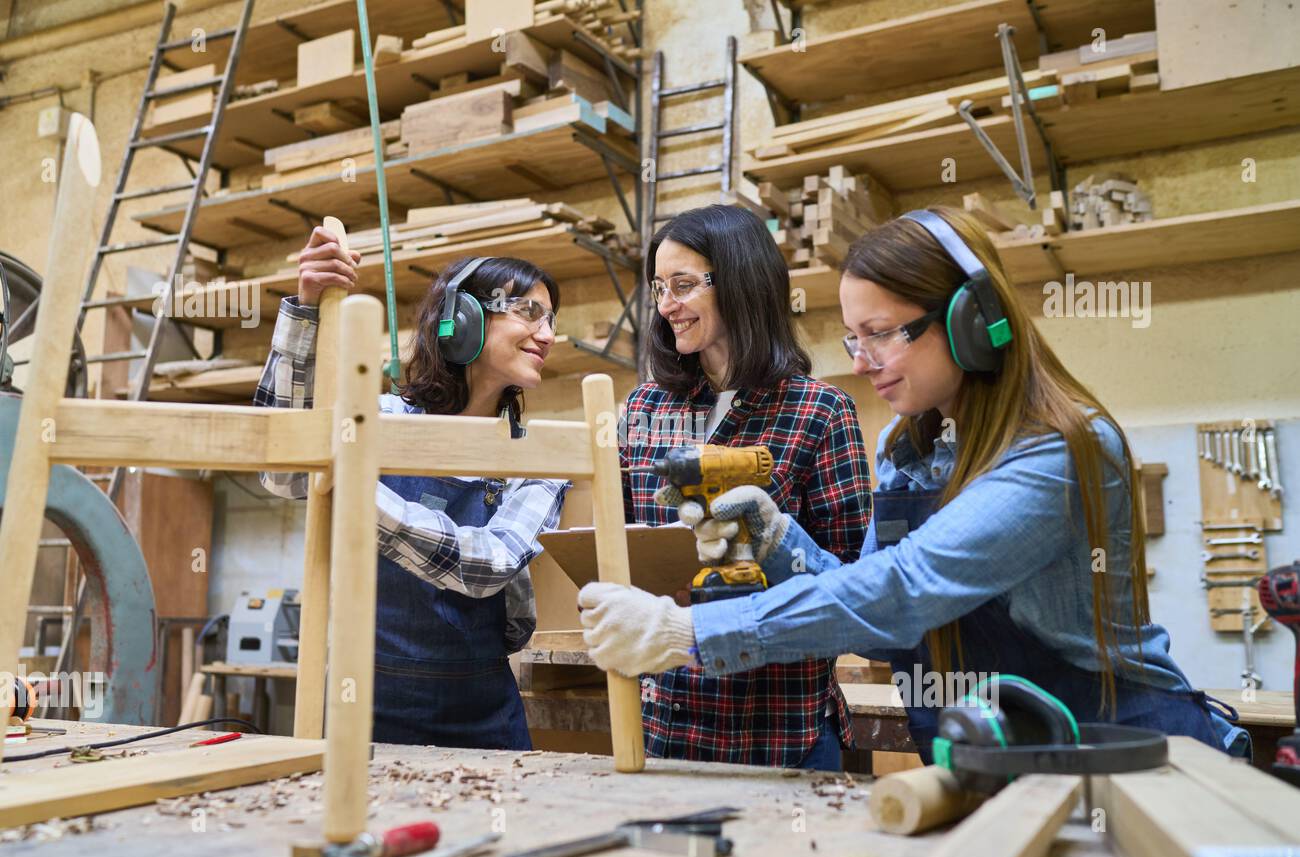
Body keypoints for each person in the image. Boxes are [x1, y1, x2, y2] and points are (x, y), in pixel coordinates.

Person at [581, 206, 1251, 761]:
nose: (862, 360)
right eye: (852, 338)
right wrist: (778, 538)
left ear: (971, 322)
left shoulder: (1061, 451)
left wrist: (689, 631)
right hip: (992, 756)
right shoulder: (907, 450)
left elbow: (905, 590)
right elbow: (882, 629)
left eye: (880, 334)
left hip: (1128, 756)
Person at [256, 225, 567, 749]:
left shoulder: (533, 454)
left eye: (552, 319)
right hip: (364, 702)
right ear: (462, 319)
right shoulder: (378, 420)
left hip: (483, 711)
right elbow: (282, 472)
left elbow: (486, 565)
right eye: (529, 312)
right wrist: (306, 313)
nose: (548, 334)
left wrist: (355, 492)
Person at [620, 204, 873, 771]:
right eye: (659, 287)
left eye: (683, 285)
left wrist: (766, 550)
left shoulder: (820, 411)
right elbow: (622, 546)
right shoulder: (643, 409)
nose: (665, 306)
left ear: (739, 281)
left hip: (782, 725)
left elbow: (855, 580)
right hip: (668, 722)